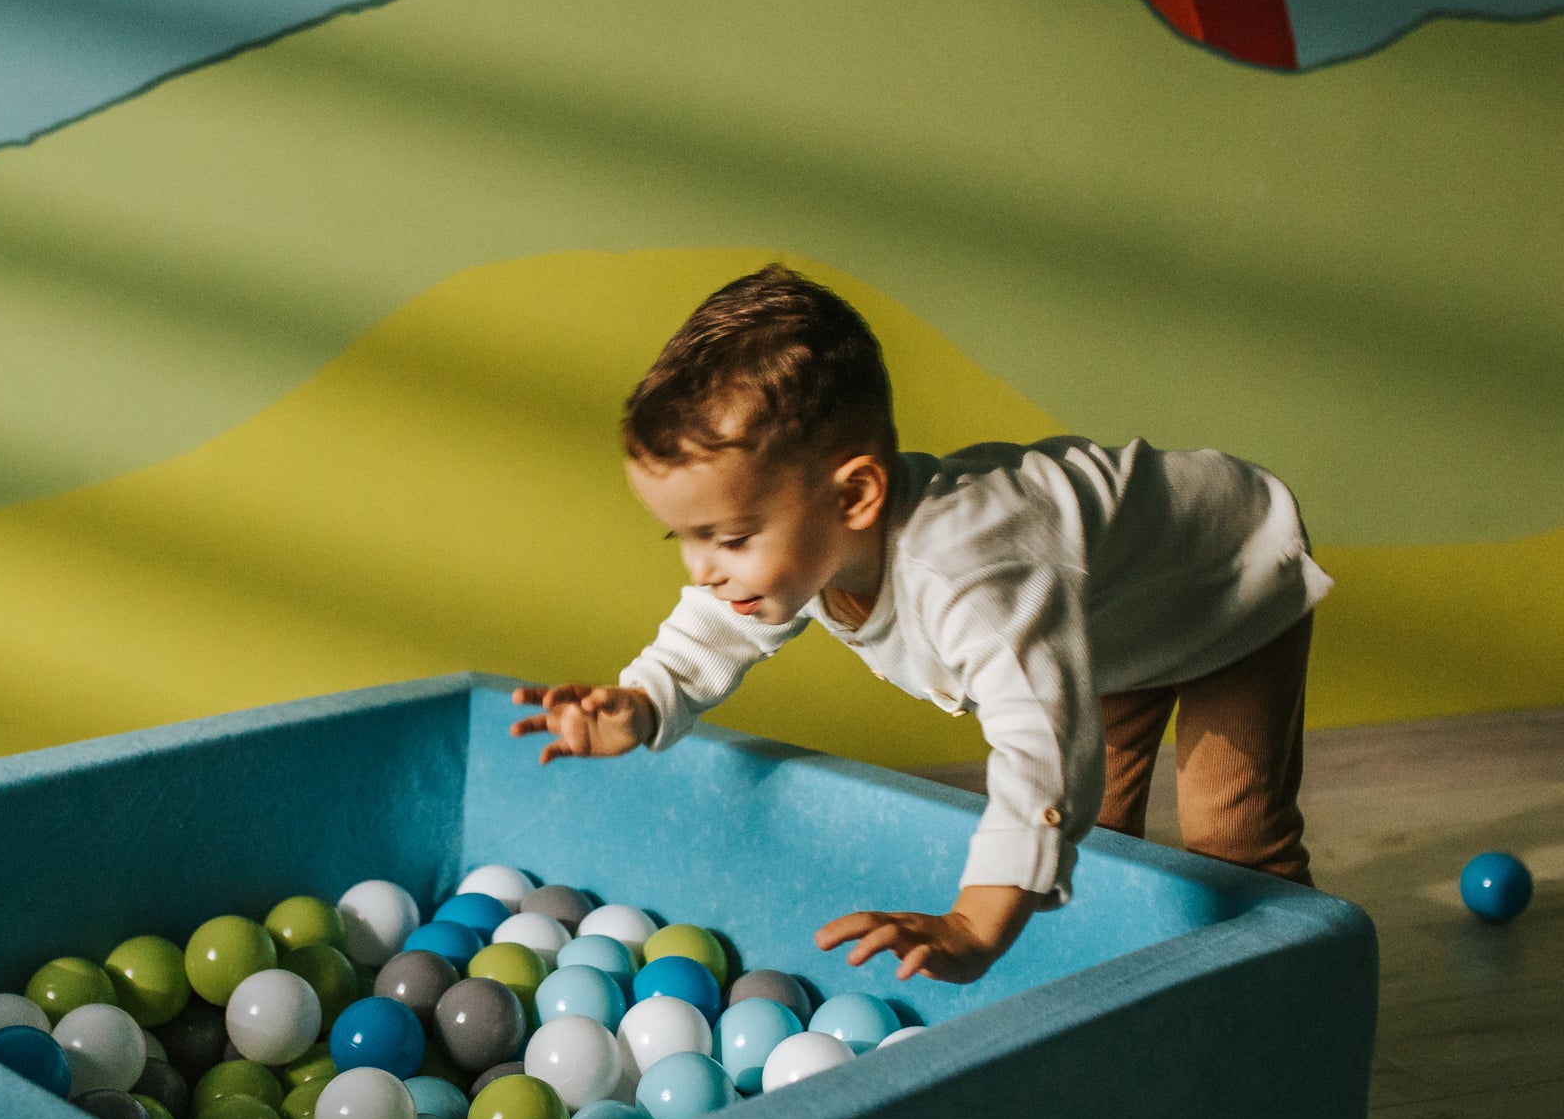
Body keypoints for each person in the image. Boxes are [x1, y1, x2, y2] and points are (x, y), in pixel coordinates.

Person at [510, 264, 1331, 984]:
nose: (702, 568)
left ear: (856, 496)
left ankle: (1297, 1011)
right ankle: (1120, 996)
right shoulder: (820, 548)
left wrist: (974, 921)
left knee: (1229, 841)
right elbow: (713, 625)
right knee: (1104, 840)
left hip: (1224, 580)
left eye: (728, 538)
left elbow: (1040, 748)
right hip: (1108, 620)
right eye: (685, 538)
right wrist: (645, 701)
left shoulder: (968, 573)